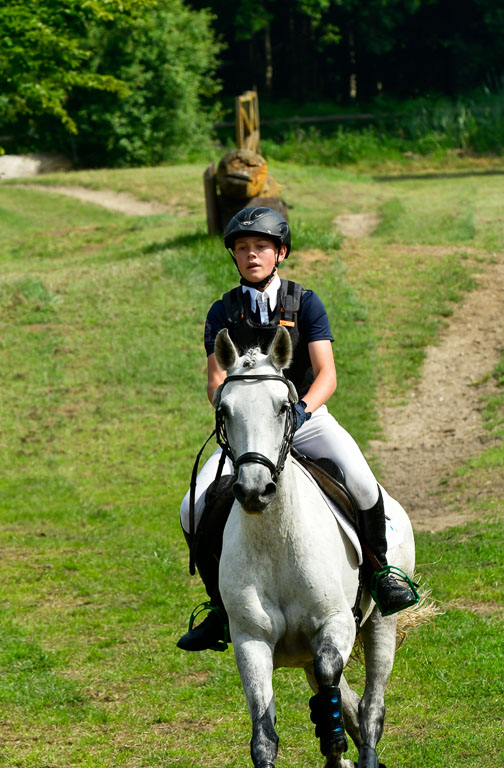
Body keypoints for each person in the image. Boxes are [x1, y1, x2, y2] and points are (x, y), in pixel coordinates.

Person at [177, 206, 418, 652]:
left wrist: (303, 409)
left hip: (306, 420)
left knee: (363, 483)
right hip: (249, 431)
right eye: (243, 248)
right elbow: (214, 379)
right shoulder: (221, 311)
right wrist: (233, 406)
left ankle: (382, 575)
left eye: (261, 247)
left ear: (280, 252)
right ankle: (219, 606)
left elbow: (327, 373)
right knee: (191, 508)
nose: (251, 255)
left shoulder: (304, 302)